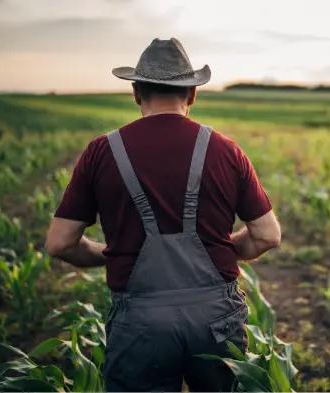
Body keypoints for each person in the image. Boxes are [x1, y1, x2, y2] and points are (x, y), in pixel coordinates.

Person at [45, 37, 281, 391]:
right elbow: (267, 235)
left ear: (136, 93)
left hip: (140, 320)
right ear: (192, 94)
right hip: (215, 317)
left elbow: (60, 243)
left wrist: (106, 256)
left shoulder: (102, 152)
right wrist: (220, 248)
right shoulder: (226, 150)